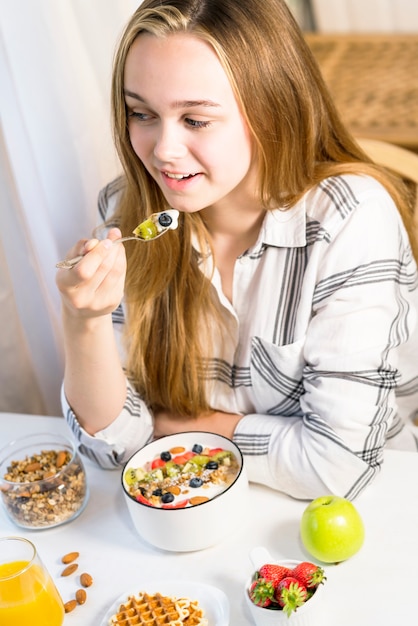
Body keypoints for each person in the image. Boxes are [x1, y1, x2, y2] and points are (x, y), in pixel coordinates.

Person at [56, 0, 418, 500]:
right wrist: (85, 322)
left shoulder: (351, 218)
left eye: (196, 120)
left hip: (368, 514)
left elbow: (337, 465)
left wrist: (188, 426)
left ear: (270, 110)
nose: (163, 149)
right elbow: (112, 449)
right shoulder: (133, 214)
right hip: (200, 512)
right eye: (142, 113)